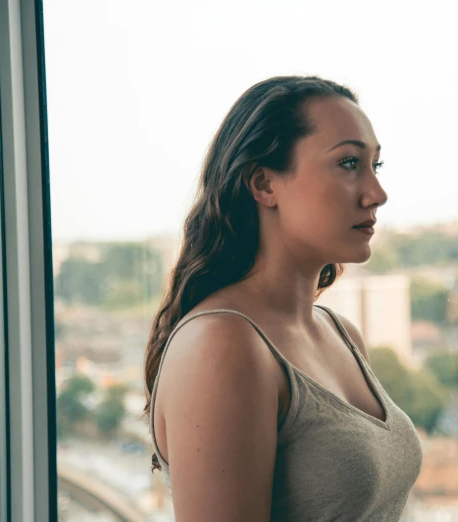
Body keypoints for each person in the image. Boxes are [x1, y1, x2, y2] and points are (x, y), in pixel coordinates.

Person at [144, 76, 423, 521]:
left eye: (376, 166)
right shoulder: (222, 345)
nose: (377, 194)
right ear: (264, 185)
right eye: (349, 163)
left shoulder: (340, 333)